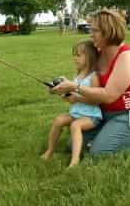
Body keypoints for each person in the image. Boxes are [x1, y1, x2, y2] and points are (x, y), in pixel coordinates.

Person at [51, 9, 130, 154]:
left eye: (95, 30)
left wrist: (75, 87)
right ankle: (116, 136)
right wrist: (68, 91)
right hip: (105, 115)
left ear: (108, 32)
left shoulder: (127, 57)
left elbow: (109, 95)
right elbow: (86, 79)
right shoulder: (98, 54)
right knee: (73, 145)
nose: (90, 34)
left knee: (99, 152)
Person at [41, 39, 102, 167]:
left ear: (90, 57)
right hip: (76, 113)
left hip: (91, 116)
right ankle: (50, 150)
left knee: (75, 126)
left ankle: (74, 161)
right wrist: (59, 92)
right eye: (74, 55)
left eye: (79, 55)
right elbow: (71, 95)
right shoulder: (77, 76)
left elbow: (96, 99)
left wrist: (76, 98)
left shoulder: (93, 77)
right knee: (58, 121)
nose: (75, 58)